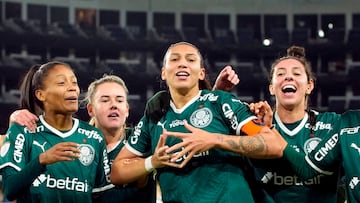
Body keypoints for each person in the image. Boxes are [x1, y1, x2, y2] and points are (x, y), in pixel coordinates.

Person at [5, 65, 241, 203]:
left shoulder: (141, 142)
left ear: (128, 109)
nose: (114, 105)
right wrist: (18, 118)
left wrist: (214, 92)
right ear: (90, 108)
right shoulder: (70, 141)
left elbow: (189, 124)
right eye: (105, 100)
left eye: (120, 100)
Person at [110, 41, 287, 203]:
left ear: (201, 73)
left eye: (191, 59)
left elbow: (275, 144)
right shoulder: (156, 114)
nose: (182, 63)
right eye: (174, 59)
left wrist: (215, 140)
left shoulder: (221, 102)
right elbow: (117, 172)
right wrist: (153, 162)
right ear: (163, 72)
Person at [0, 61, 110, 202]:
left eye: (74, 83)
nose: (72, 88)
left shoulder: (94, 137)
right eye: (61, 83)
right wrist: (41, 161)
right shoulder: (23, 132)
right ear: (41, 95)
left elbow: (101, 195)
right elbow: (10, 189)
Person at [245, 45, 341, 203]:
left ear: (309, 86)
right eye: (281, 74)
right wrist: (217, 91)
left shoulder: (332, 124)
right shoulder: (254, 124)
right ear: (271, 88)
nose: (288, 78)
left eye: (296, 73)